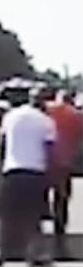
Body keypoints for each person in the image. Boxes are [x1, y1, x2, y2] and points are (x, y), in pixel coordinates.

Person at [0, 87, 57, 267]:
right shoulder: (46, 122)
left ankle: (0, 252)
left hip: (11, 170)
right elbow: (49, 150)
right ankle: (34, 254)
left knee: (6, 214)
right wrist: (51, 175)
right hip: (35, 171)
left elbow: (1, 144)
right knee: (34, 215)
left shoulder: (10, 116)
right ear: (43, 102)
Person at [45, 88, 83, 258]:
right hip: (64, 165)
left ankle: (34, 245)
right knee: (61, 203)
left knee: (38, 202)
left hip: (43, 163)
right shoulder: (77, 116)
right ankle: (59, 243)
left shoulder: (46, 111)